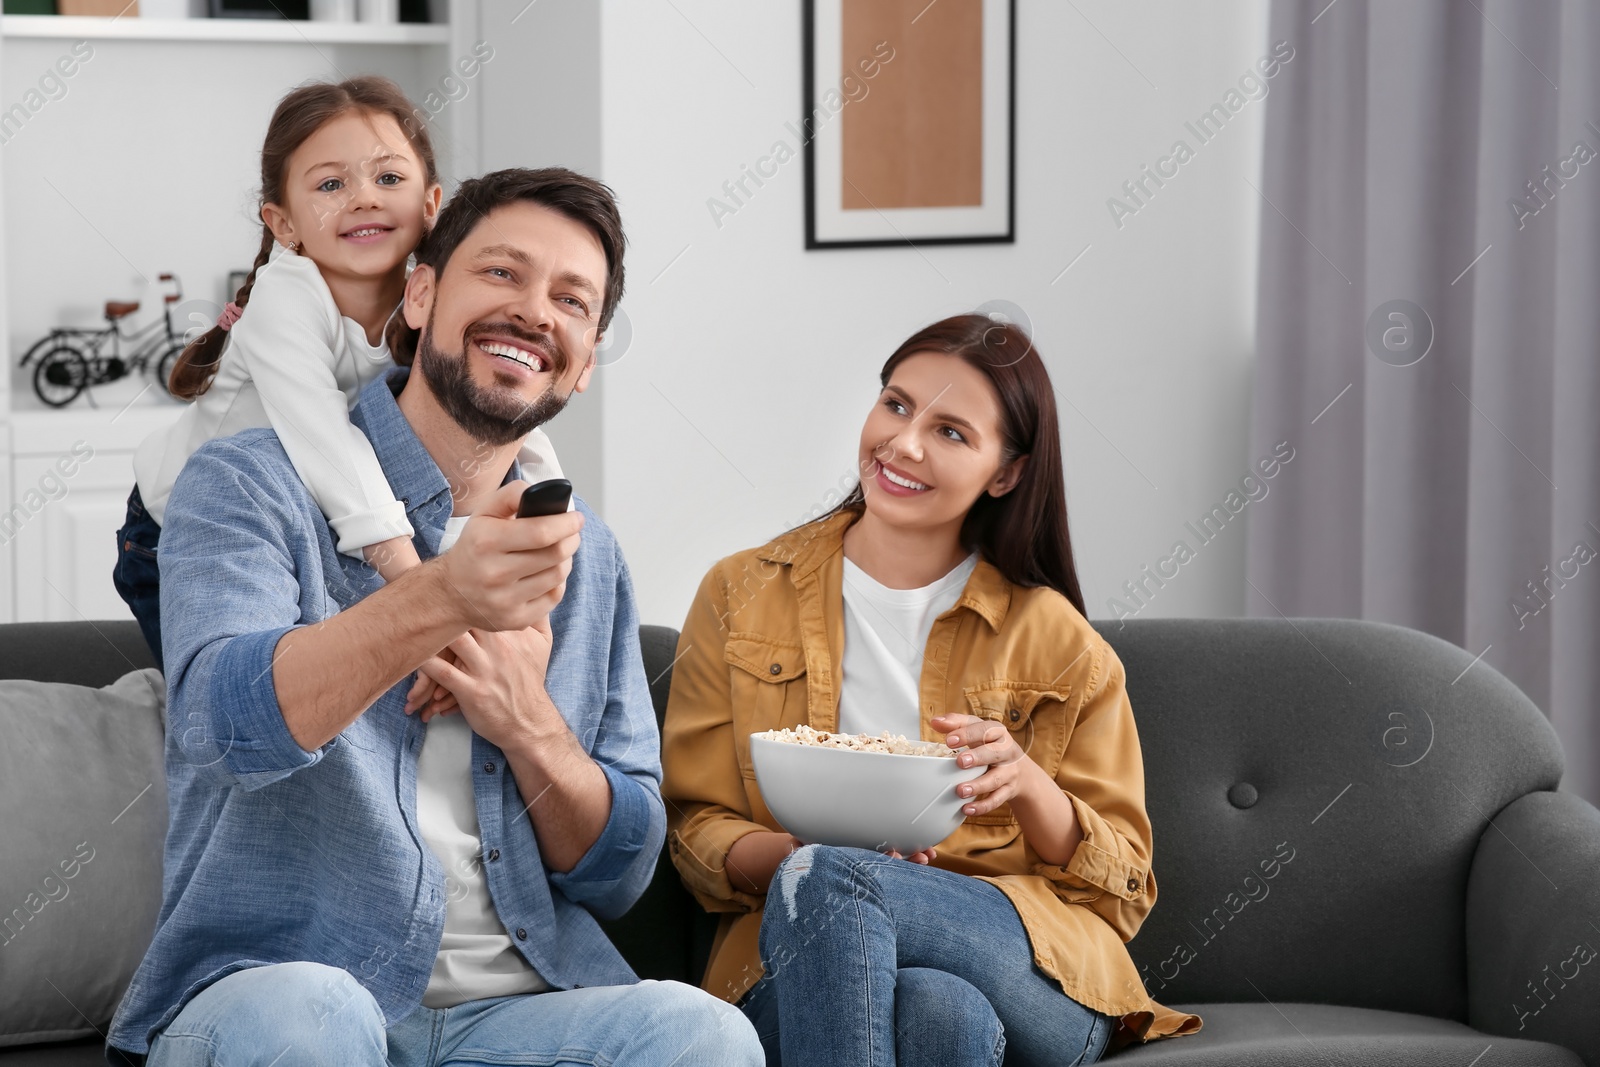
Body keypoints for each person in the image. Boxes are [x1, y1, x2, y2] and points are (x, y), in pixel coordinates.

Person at [104, 166, 762, 1067]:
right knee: (313, 1009)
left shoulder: (587, 553)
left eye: (572, 299)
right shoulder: (250, 484)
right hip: (283, 995)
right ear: (419, 294)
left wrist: (528, 721)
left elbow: (617, 872)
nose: (536, 311)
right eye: (501, 273)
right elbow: (222, 731)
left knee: (704, 1035)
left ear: (587, 356)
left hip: (521, 1015)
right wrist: (442, 596)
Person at [661, 315, 1203, 1066]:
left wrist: (1028, 784)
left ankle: (827, 873)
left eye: (951, 432)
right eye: (896, 403)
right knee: (934, 1009)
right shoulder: (739, 593)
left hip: (1024, 960)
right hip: (796, 957)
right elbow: (695, 829)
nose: (905, 442)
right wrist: (794, 849)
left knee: (832, 876)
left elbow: (1126, 888)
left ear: (1006, 471)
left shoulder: (1059, 641)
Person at [114, 76, 562, 685]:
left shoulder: (426, 300)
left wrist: (547, 505)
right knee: (229, 706)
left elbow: (499, 412)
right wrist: (430, 598)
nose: (363, 199)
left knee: (346, 692)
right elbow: (328, 442)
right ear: (284, 222)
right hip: (184, 535)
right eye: (330, 184)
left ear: (430, 205)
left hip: (316, 520)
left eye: (388, 178)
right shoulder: (286, 296)